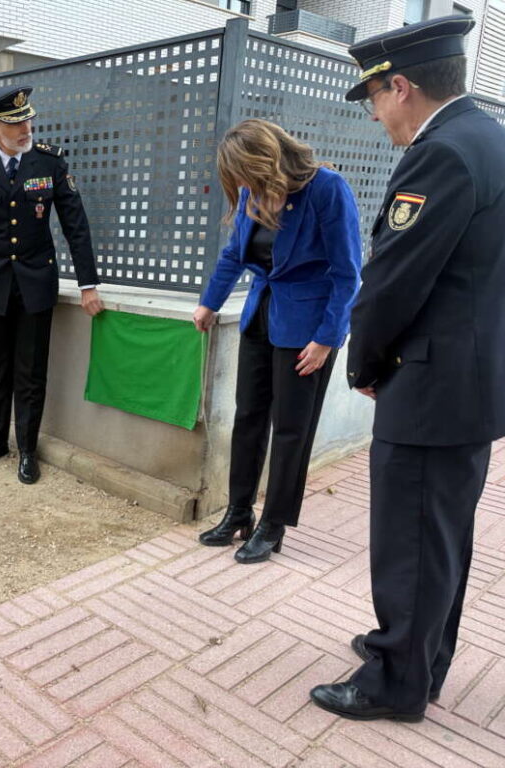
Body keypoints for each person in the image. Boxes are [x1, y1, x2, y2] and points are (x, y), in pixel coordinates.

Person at [310, 15, 505, 722]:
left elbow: (393, 280)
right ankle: (418, 654)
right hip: (470, 382)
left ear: (402, 87)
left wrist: (363, 362)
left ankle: (396, 683)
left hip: (430, 385)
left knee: (412, 538)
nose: (374, 114)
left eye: (374, 98)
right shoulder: (491, 140)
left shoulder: (442, 153)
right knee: (441, 535)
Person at [192, 119, 361, 563]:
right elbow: (235, 254)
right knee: (248, 417)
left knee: (290, 429)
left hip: (308, 328)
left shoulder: (326, 189)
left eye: (246, 175)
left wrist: (328, 338)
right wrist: (209, 303)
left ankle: (274, 525)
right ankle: (239, 512)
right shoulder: (252, 189)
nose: (242, 187)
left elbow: (347, 274)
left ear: (266, 161)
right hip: (261, 316)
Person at [0, 85, 104, 485]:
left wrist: (88, 283)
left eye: (27, 120)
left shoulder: (49, 163)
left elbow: (76, 226)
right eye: (14, 123)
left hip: (36, 283)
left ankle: (28, 450)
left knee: (31, 372)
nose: (25, 128)